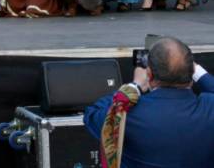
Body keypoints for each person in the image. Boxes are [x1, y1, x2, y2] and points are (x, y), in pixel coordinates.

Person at [84, 37, 214, 168]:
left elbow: (92, 115)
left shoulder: (126, 113)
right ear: (191, 74)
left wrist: (135, 86)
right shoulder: (209, 108)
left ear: (149, 75)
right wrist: (196, 71)